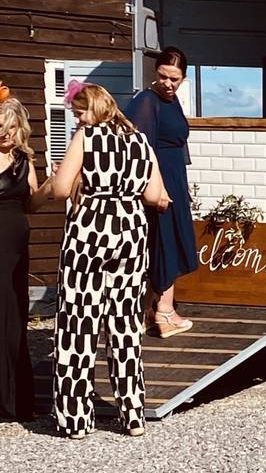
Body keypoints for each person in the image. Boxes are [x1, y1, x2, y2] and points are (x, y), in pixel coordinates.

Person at [49, 82, 166, 439]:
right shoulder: (141, 142)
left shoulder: (86, 138)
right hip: (130, 233)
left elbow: (59, 190)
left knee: (77, 326)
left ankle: (75, 420)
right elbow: (154, 194)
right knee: (125, 327)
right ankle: (132, 416)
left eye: (78, 112)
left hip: (90, 233)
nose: (77, 118)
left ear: (94, 109)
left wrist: (64, 174)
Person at [126, 46, 196, 338]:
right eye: (163, 76)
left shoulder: (172, 101)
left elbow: (179, 144)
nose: (168, 83)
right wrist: (158, 190)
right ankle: (165, 312)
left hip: (174, 179)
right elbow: (142, 151)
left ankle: (147, 312)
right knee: (164, 244)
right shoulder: (146, 100)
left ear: (183, 78)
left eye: (174, 79)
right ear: (155, 72)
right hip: (159, 184)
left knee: (171, 243)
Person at [0, 91, 47, 422]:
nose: (6, 133)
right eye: (2, 126)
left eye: (12, 127)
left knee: (15, 317)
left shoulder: (24, 160)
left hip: (17, 247)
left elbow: (32, 203)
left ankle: (17, 400)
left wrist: (53, 184)